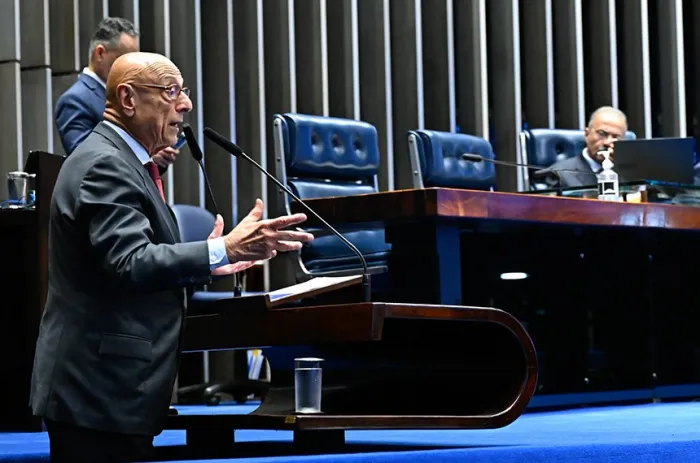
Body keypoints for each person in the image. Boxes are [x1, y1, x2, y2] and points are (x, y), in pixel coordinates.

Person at [30, 51, 315, 462]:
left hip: (111, 393)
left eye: (183, 91)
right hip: (96, 392)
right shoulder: (105, 165)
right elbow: (130, 263)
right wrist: (223, 247)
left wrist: (213, 261)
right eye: (170, 91)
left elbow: (125, 264)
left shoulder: (125, 161)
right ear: (128, 99)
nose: (186, 104)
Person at [54, 17, 177, 169]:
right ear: (100, 53)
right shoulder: (74, 100)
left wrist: (154, 150)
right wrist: (145, 154)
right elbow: (85, 158)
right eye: (124, 59)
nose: (133, 68)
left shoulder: (125, 94)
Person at [541, 106, 628, 188]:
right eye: (602, 134)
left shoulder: (628, 173)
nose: (607, 142)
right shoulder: (559, 175)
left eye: (616, 137)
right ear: (587, 134)